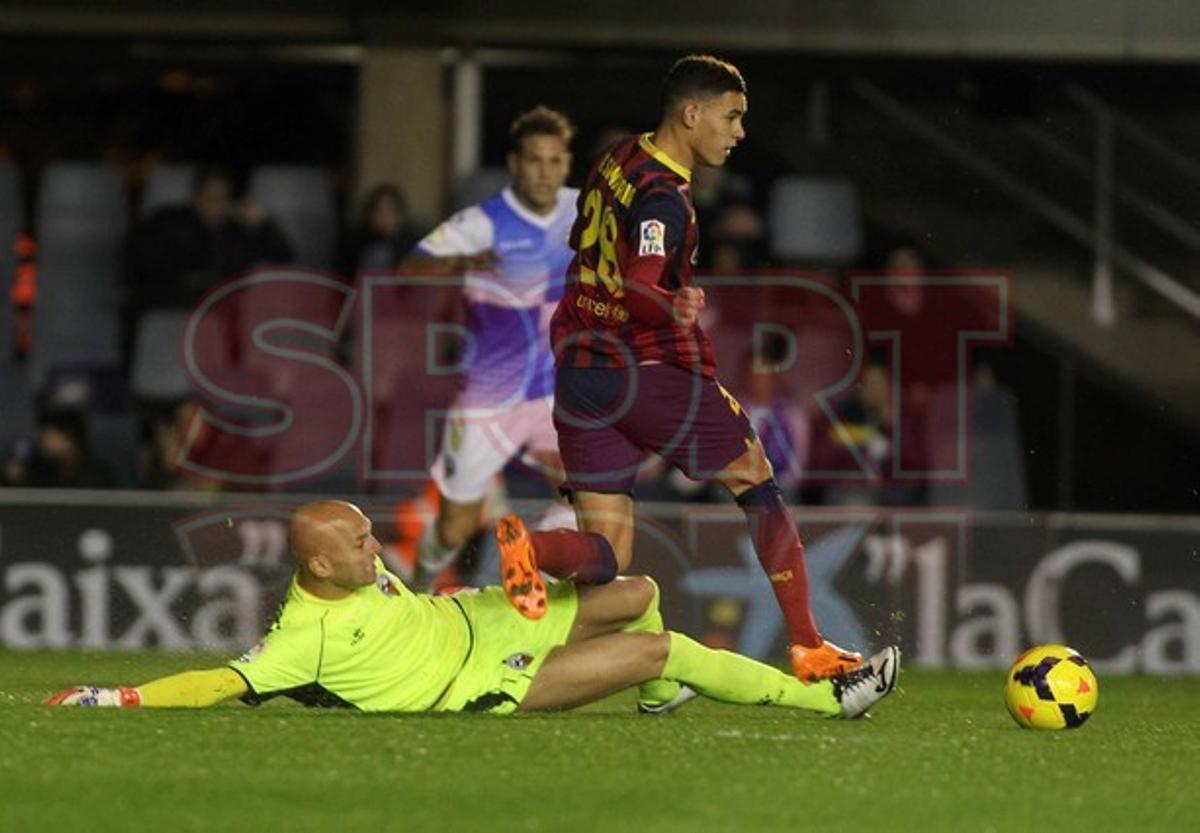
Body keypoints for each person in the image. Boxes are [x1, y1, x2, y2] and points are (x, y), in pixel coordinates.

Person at [493, 54, 863, 683]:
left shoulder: (618, 157)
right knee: (755, 478)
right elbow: (642, 288)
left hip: (581, 372)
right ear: (691, 115)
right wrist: (675, 303)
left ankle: (534, 547)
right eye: (731, 116)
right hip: (645, 369)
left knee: (608, 555)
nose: (739, 132)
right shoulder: (665, 197)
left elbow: (592, 248)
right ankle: (809, 644)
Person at [44, 500, 900, 719]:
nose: (375, 548)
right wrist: (117, 695)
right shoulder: (301, 640)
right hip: (485, 679)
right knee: (661, 644)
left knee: (639, 592)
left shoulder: (357, 569)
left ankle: (655, 701)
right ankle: (830, 698)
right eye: (360, 543)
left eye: (370, 534)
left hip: (486, 616)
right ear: (319, 565)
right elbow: (216, 683)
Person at [401, 107, 582, 587]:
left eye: (555, 160)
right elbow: (410, 271)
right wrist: (461, 261)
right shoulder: (482, 222)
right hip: (490, 394)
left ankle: (543, 575)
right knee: (456, 526)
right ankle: (418, 587)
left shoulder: (584, 211)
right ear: (515, 163)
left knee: (585, 494)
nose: (544, 172)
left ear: (566, 164)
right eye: (535, 160)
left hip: (555, 390)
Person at [338, 183, 424, 280]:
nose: (384, 216)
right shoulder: (355, 243)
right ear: (370, 214)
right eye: (379, 210)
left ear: (400, 214)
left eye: (390, 210)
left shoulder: (411, 244)